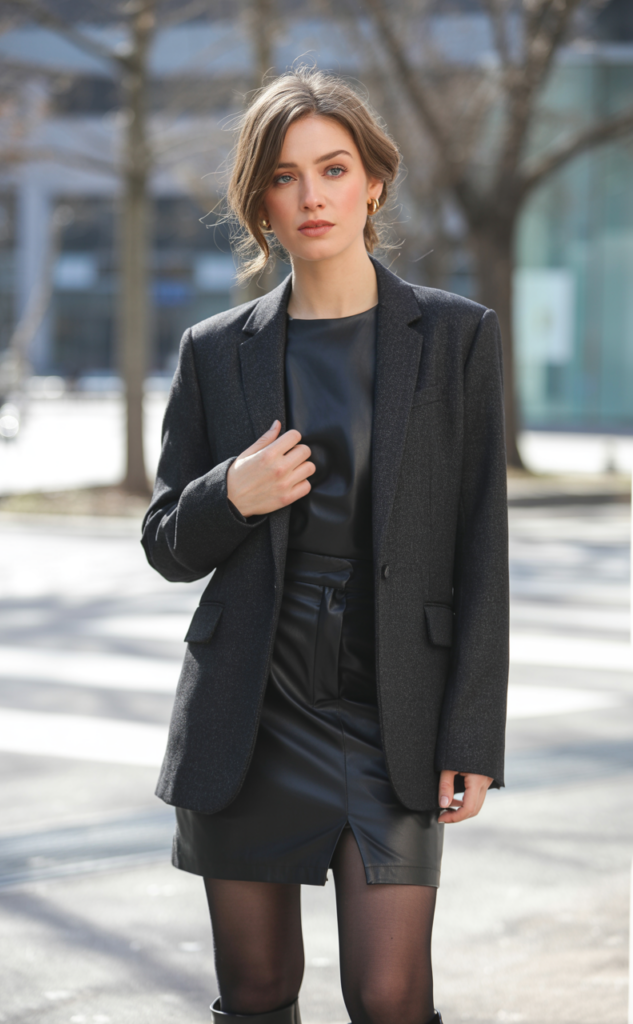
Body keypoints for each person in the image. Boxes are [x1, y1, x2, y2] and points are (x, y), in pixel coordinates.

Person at [142, 67, 509, 1024]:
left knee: (390, 997)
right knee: (257, 993)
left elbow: (481, 545)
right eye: (285, 176)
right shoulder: (217, 351)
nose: (312, 196)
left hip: (392, 712)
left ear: (373, 182)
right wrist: (235, 491)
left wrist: (471, 735)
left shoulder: (455, 338)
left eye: (334, 169)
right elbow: (167, 542)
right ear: (259, 199)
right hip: (252, 711)